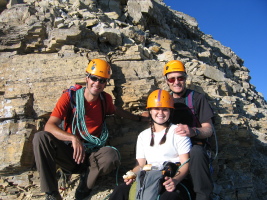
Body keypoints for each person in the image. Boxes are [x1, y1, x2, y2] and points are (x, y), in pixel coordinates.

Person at [33, 58, 146, 200]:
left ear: (105, 84)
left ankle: (85, 185)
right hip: (70, 153)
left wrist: (140, 118)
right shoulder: (70, 97)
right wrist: (73, 138)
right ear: (86, 78)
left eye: (102, 80)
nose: (97, 83)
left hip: (92, 155)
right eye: (94, 78)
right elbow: (49, 126)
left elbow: (117, 111)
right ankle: (52, 193)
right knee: (40, 138)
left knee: (111, 155)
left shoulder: (105, 100)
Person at [109, 89, 193, 200]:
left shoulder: (178, 132)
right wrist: (132, 174)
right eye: (156, 109)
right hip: (149, 177)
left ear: (170, 111)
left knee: (169, 197)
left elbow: (185, 163)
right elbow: (140, 165)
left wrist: (175, 180)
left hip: (172, 176)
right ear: (150, 111)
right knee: (120, 190)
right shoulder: (143, 136)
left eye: (165, 109)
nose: (160, 113)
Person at [163, 60, 214, 200]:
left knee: (196, 152)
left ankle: (203, 196)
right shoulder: (165, 99)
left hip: (195, 146)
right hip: (174, 147)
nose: (176, 82)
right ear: (167, 81)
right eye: (172, 79)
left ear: (185, 78)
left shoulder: (197, 99)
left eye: (180, 78)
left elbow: (208, 129)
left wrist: (193, 131)